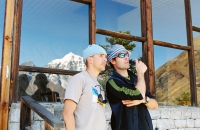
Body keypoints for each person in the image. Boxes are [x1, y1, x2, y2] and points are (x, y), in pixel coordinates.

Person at [106, 44, 158, 130]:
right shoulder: (113, 82)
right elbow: (138, 94)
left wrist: (144, 100)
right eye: (122, 55)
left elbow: (155, 105)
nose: (126, 57)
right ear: (113, 61)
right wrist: (140, 74)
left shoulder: (136, 79)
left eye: (127, 54)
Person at [62, 44, 107, 130]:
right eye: (101, 56)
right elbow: (67, 113)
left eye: (105, 56)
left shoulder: (98, 85)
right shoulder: (79, 79)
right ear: (90, 59)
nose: (105, 59)